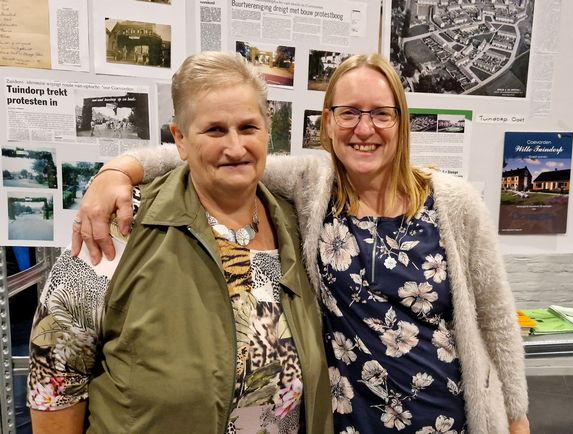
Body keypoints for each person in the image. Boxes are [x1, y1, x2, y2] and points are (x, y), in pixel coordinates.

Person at [73, 53, 531, 434]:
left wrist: (516, 418)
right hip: (351, 420)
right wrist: (119, 169)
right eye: (348, 113)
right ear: (327, 123)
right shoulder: (314, 187)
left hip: (444, 416)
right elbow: (214, 150)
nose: (364, 128)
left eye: (380, 114)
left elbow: (494, 319)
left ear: (401, 122)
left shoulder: (453, 203)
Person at [28, 51, 332, 434]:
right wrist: (115, 171)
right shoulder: (123, 226)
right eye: (215, 130)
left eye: (248, 127)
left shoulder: (296, 225)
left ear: (267, 132)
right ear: (180, 140)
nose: (235, 147)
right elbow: (55, 373)